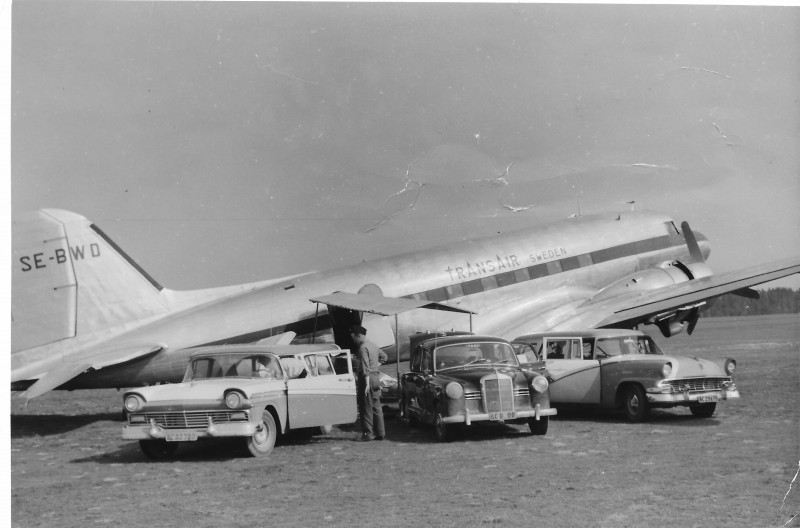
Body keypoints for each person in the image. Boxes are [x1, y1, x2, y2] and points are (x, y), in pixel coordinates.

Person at [350, 324, 387, 441]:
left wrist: (366, 383)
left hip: (367, 379)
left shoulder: (363, 348)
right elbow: (384, 357)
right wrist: (375, 367)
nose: (354, 340)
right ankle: (381, 433)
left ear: (359, 336)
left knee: (366, 406)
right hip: (376, 377)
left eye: (354, 338)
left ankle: (367, 433)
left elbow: (365, 367)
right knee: (376, 406)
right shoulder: (373, 345)